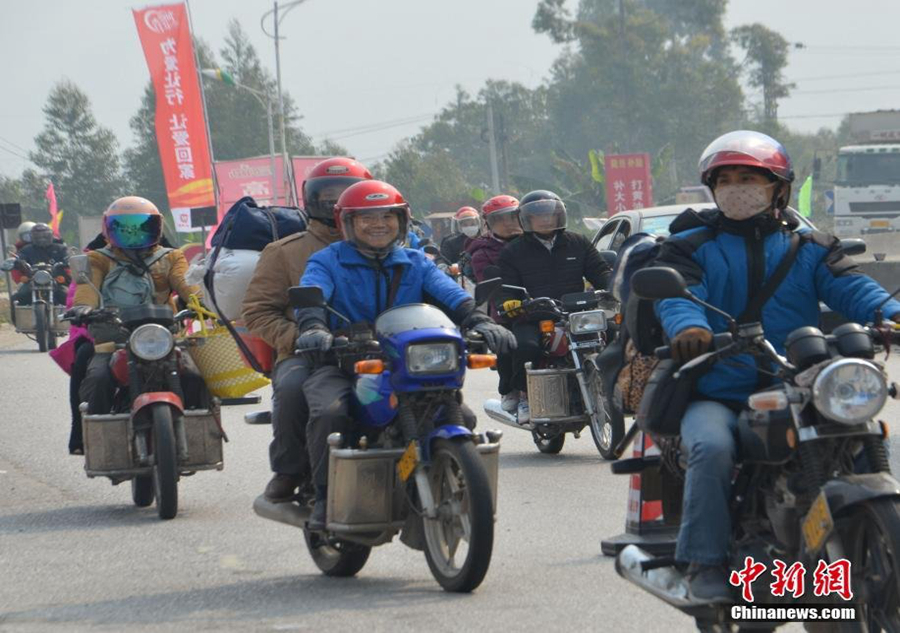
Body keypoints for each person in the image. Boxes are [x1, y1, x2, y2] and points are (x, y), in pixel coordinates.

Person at [653, 130, 900, 602]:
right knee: (712, 448)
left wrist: (890, 314)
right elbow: (678, 298)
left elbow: (855, 289)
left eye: (749, 177)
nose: (736, 187)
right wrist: (689, 329)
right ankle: (704, 561)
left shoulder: (809, 247)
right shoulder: (689, 246)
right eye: (725, 179)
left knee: (862, 436)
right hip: (719, 389)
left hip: (802, 384)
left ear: (778, 188)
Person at [296, 180, 516, 529]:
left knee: (464, 419)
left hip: (408, 364)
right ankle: (325, 496)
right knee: (330, 413)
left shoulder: (416, 262)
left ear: (401, 221)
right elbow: (313, 292)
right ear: (347, 223)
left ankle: (440, 487)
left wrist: (478, 319)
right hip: (347, 362)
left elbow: (450, 293)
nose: (379, 223)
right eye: (366, 217)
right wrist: (313, 328)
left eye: (387, 215)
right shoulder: (327, 260)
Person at [242, 157, 374, 502]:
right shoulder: (284, 252)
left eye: (345, 193)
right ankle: (290, 469)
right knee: (291, 388)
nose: (336, 203)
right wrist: (298, 338)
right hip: (306, 353)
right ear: (310, 199)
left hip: (379, 348)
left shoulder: (387, 246)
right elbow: (258, 312)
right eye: (327, 195)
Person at [68, 196, 200, 415]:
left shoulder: (172, 257)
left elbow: (186, 285)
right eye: (124, 228)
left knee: (196, 377)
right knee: (98, 380)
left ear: (156, 227)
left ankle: (199, 432)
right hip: (114, 337)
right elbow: (87, 290)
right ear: (108, 229)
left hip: (164, 336)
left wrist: (203, 303)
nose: (132, 234)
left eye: (140, 227)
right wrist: (83, 307)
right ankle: (97, 438)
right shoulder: (98, 258)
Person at [497, 190, 612, 423]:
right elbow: (506, 287)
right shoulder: (513, 251)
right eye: (539, 215)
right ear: (526, 219)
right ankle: (524, 395)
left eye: (550, 214)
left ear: (560, 215)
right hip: (533, 315)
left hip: (577, 313)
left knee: (615, 334)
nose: (546, 219)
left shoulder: (578, 242)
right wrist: (510, 302)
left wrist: (616, 285)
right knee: (525, 347)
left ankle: (622, 388)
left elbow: (600, 272)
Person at [466, 194, 522, 410]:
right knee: (509, 343)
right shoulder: (482, 252)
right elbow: (489, 283)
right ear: (488, 223)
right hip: (506, 307)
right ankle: (511, 389)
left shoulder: (534, 242)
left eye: (513, 217)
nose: (508, 224)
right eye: (501, 220)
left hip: (543, 303)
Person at [11, 223, 69, 306]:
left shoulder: (60, 248)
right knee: (18, 296)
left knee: (69, 296)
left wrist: (68, 262)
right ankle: (18, 318)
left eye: (45, 235)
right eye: (38, 236)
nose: (42, 239)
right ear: (32, 237)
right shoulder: (26, 249)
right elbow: (20, 258)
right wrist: (17, 262)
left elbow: (67, 258)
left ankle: (74, 317)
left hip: (56, 281)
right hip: (32, 281)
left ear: (51, 235)